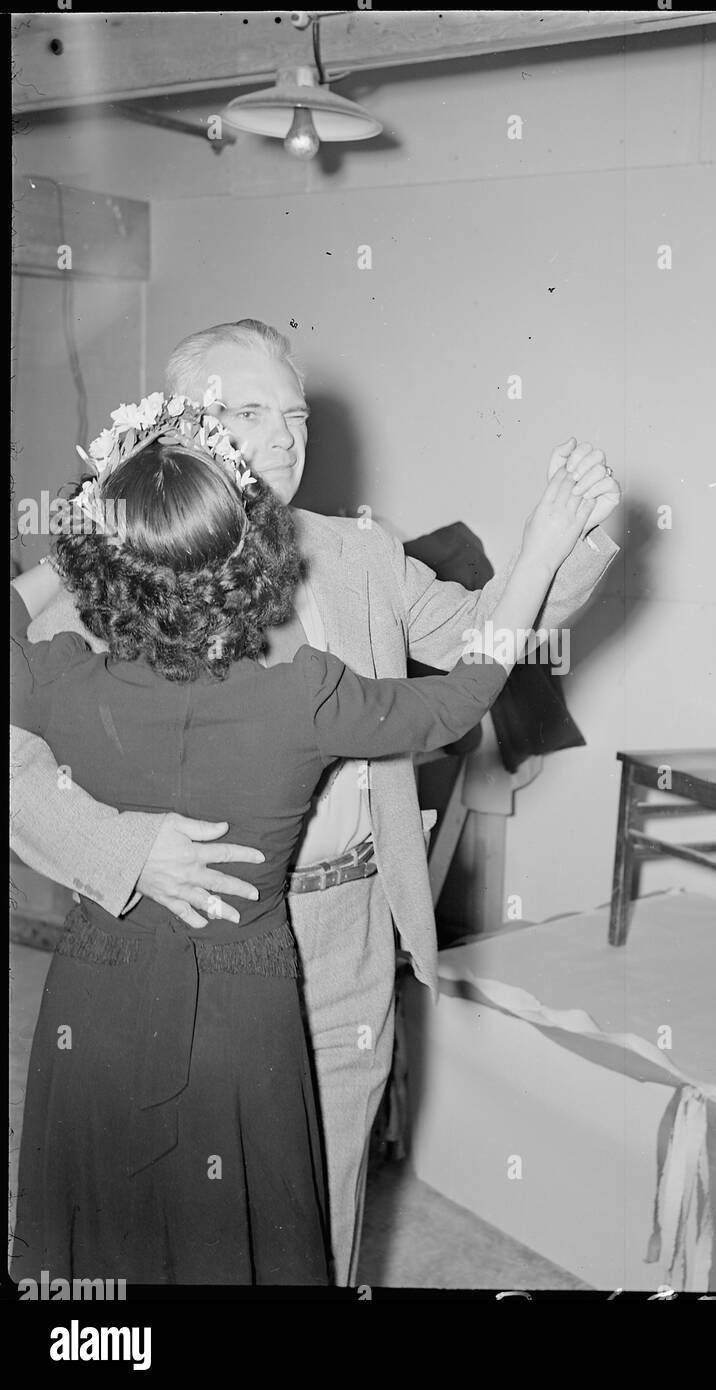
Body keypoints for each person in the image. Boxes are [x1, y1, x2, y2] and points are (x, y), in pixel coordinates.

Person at [10, 319, 621, 1283]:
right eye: (252, 413)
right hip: (181, 923)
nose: (288, 436)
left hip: (342, 931)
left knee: (313, 1216)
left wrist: (566, 544)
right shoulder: (127, 556)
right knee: (159, 1224)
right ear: (180, 429)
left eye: (294, 414)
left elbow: (476, 638)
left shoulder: (358, 554)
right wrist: (127, 853)